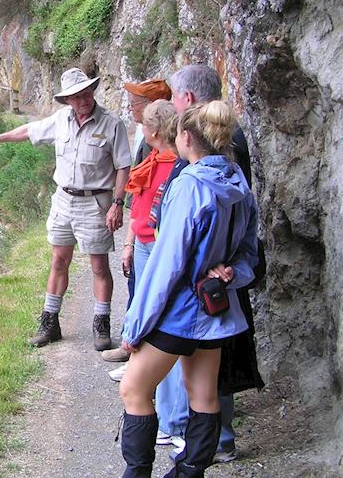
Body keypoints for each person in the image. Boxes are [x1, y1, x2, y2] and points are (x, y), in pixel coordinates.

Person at [118, 100, 259, 477]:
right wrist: (230, 274)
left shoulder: (189, 185)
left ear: (185, 138)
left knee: (133, 388)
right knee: (203, 395)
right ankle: (189, 473)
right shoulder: (236, 180)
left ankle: (138, 473)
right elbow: (249, 253)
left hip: (181, 310)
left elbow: (167, 264)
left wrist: (135, 327)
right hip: (216, 307)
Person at [0, 67, 131, 350]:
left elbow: (123, 166)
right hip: (63, 201)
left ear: (92, 92)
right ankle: (49, 323)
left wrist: (118, 203)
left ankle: (101, 324)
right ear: (67, 100)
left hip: (95, 202)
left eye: (86, 94)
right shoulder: (60, 120)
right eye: (76, 97)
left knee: (98, 266)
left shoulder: (111, 124)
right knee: (58, 261)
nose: (83, 100)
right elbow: (28, 131)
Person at [154, 64, 263, 462]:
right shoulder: (223, 138)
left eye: (174, 95)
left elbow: (220, 219)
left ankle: (212, 440)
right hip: (218, 275)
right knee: (208, 366)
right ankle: (206, 442)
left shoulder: (210, 152)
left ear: (187, 99)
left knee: (211, 364)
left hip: (210, 278)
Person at [103, 100, 177, 383]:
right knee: (141, 303)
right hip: (143, 243)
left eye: (145, 124)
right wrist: (129, 244)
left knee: (156, 308)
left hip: (159, 246)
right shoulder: (152, 157)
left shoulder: (176, 166)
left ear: (155, 131)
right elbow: (139, 204)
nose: (141, 128)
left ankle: (147, 370)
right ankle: (137, 362)